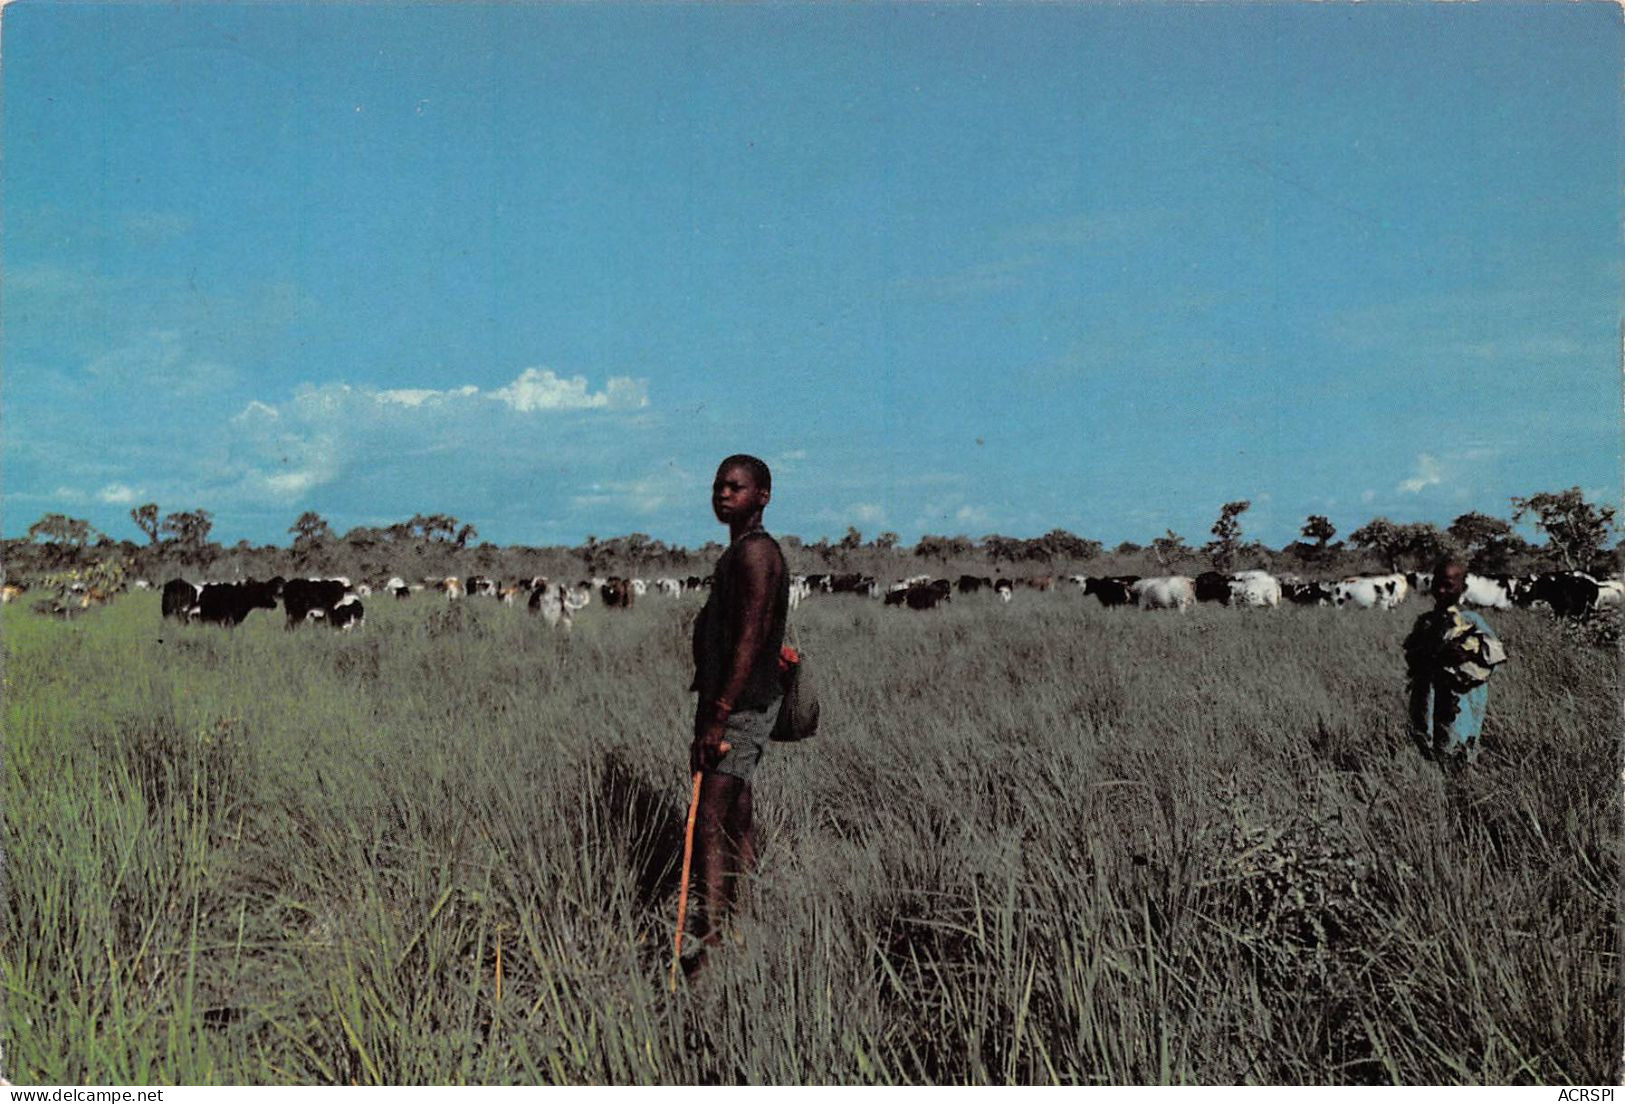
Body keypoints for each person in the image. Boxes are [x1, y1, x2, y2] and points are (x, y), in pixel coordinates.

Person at [686, 454, 789, 970]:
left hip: (740, 703)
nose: (723, 495)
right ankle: (743, 920)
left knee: (709, 815)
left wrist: (720, 713)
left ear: (763, 496)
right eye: (718, 486)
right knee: (737, 807)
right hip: (735, 699)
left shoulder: (755, 555)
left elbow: (751, 637)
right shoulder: (743, 552)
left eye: (736, 487)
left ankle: (710, 942)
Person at [1403, 559, 1507, 763]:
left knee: (1459, 741)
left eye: (1448, 586)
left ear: (1463, 588)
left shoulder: (1472, 620)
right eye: (1437, 584)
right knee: (1426, 737)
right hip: (1427, 692)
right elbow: (1411, 654)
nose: (1441, 591)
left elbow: (1494, 652)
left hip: (1461, 696)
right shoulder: (1425, 621)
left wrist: (1467, 654)